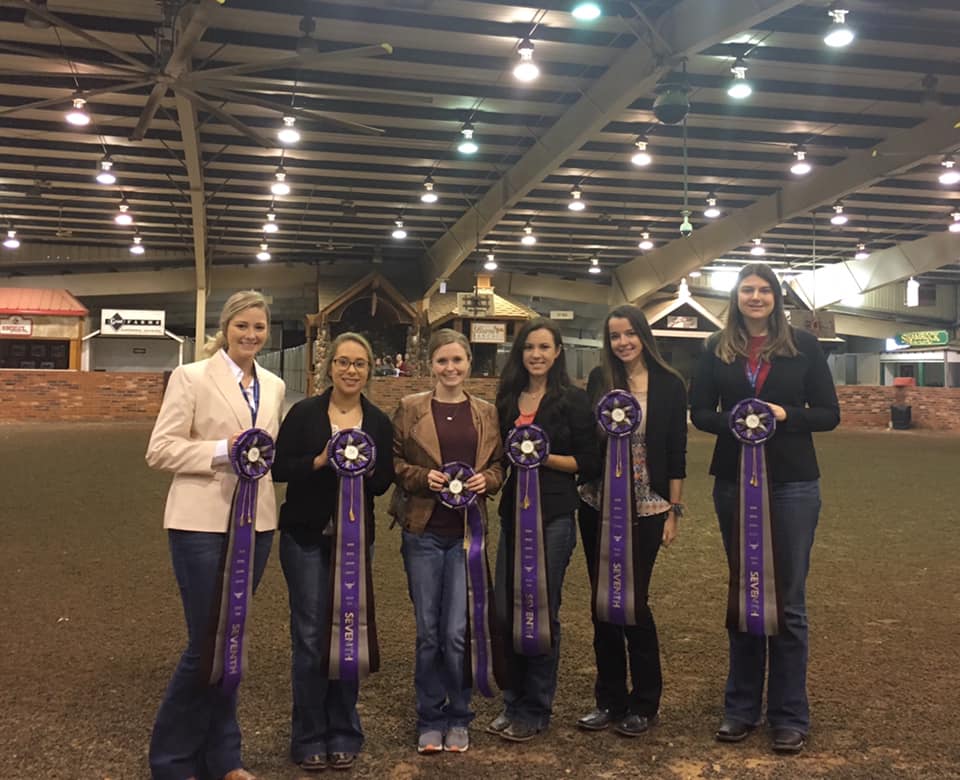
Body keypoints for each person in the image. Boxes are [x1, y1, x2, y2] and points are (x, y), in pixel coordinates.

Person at [690, 263, 840, 755]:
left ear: (776, 297)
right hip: (734, 482)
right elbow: (700, 412)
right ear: (735, 298)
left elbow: (828, 414)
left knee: (789, 602)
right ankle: (740, 708)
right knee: (744, 594)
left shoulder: (805, 346)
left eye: (764, 290)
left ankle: (789, 715)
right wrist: (736, 423)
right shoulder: (715, 348)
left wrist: (782, 415)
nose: (755, 297)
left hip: (794, 483)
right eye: (747, 290)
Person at [145, 290, 285, 780]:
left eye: (260, 327)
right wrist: (223, 451)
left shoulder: (274, 384)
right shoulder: (191, 377)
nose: (251, 335)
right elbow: (160, 450)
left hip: (258, 525)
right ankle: (171, 759)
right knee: (207, 643)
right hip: (200, 524)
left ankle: (225, 757)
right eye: (242, 326)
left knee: (232, 641)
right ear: (226, 328)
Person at [271, 332, 394, 773]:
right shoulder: (304, 414)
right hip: (304, 538)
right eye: (343, 362)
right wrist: (321, 461)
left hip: (356, 541)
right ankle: (307, 735)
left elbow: (383, 483)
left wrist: (370, 467)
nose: (350, 370)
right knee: (308, 639)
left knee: (349, 634)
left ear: (370, 369)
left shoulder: (378, 421)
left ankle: (344, 731)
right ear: (330, 368)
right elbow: (278, 468)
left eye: (359, 363)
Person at [576, 305, 687, 738]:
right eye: (615, 336)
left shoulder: (670, 385)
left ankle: (644, 702)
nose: (623, 342)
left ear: (643, 335)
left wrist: (674, 511)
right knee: (603, 603)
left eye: (629, 334)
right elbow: (588, 439)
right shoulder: (600, 381)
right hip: (597, 503)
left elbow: (676, 450)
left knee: (634, 603)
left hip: (648, 505)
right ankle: (609, 699)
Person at [392, 328, 504, 755]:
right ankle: (429, 716)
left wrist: (487, 479)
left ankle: (459, 715)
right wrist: (424, 477)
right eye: (442, 361)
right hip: (422, 534)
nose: (450, 368)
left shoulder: (487, 413)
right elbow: (394, 461)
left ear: (469, 363)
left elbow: (498, 465)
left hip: (466, 538)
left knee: (457, 633)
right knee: (428, 633)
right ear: (430, 365)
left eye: (457, 360)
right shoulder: (409, 408)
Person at [490, 318, 599, 742]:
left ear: (557, 353)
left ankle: (536, 707)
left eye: (544, 348)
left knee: (539, 610)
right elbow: (499, 456)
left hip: (553, 517)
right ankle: (511, 699)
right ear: (521, 353)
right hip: (511, 517)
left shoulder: (572, 401)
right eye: (529, 348)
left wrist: (542, 458)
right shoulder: (506, 399)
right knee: (504, 610)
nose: (536, 355)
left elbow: (590, 463)